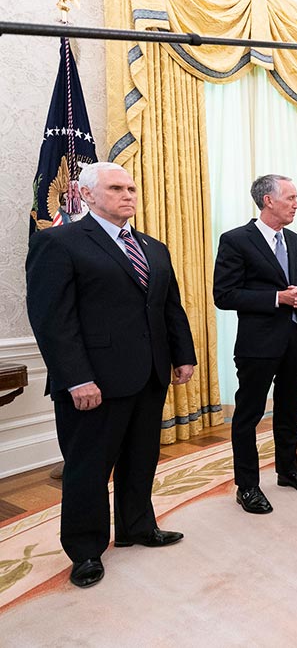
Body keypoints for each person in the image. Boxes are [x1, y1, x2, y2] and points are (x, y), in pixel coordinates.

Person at [25, 162, 196, 589]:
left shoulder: (153, 247)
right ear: (86, 195)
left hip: (150, 374)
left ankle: (137, 526)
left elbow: (168, 306)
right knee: (88, 469)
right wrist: (75, 377)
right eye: (116, 188)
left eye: (132, 188)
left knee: (141, 459)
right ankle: (85, 551)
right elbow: (52, 320)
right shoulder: (58, 243)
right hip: (93, 383)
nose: (128, 195)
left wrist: (183, 356)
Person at [213, 174, 297, 514]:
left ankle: (288, 471)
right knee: (248, 416)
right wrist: (278, 298)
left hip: (296, 340)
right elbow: (224, 295)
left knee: (290, 411)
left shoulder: (296, 240)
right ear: (268, 201)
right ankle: (247, 487)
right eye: (291, 198)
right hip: (258, 346)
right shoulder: (235, 240)